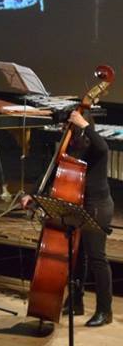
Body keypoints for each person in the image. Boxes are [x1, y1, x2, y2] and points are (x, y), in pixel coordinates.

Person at [20, 109, 114, 327]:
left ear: (80, 125)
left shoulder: (94, 146)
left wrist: (84, 126)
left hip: (97, 205)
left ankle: (105, 310)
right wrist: (32, 194)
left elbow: (104, 147)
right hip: (77, 203)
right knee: (77, 255)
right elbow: (53, 170)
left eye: (69, 127)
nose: (65, 131)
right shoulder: (71, 146)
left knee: (97, 257)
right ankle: (75, 301)